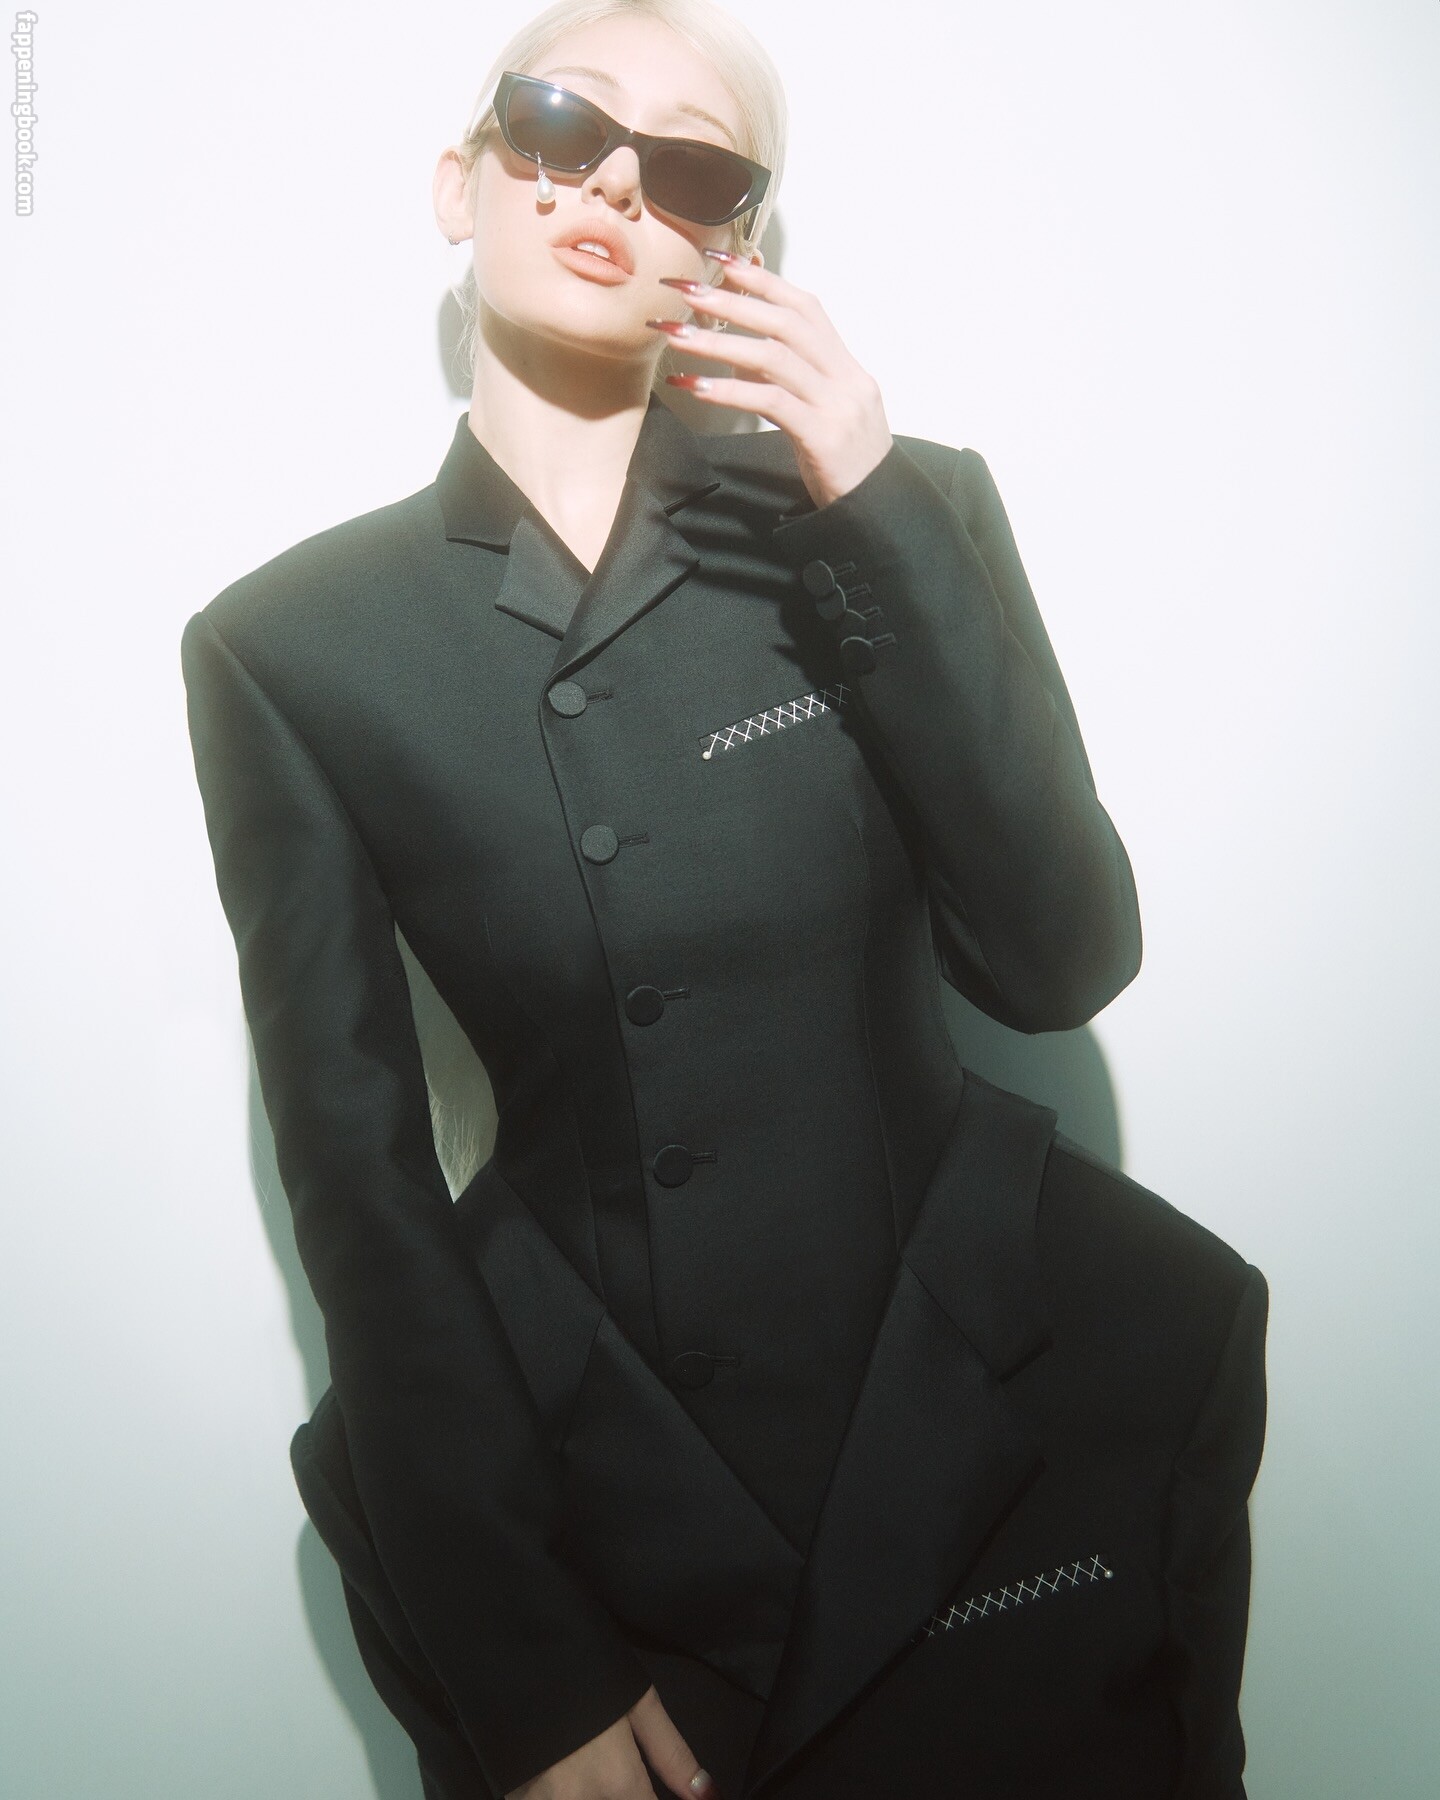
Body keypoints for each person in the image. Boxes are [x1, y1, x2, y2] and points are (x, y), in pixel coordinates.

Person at [180, 2, 1269, 1797]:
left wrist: (873, 504)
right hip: (599, 1482)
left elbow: (1060, 959)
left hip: (984, 1404)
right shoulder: (291, 645)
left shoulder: (896, 511)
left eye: (690, 166)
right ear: (460, 181)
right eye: (562, 124)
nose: (616, 179)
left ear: (735, 245)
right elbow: (359, 1188)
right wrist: (518, 1659)